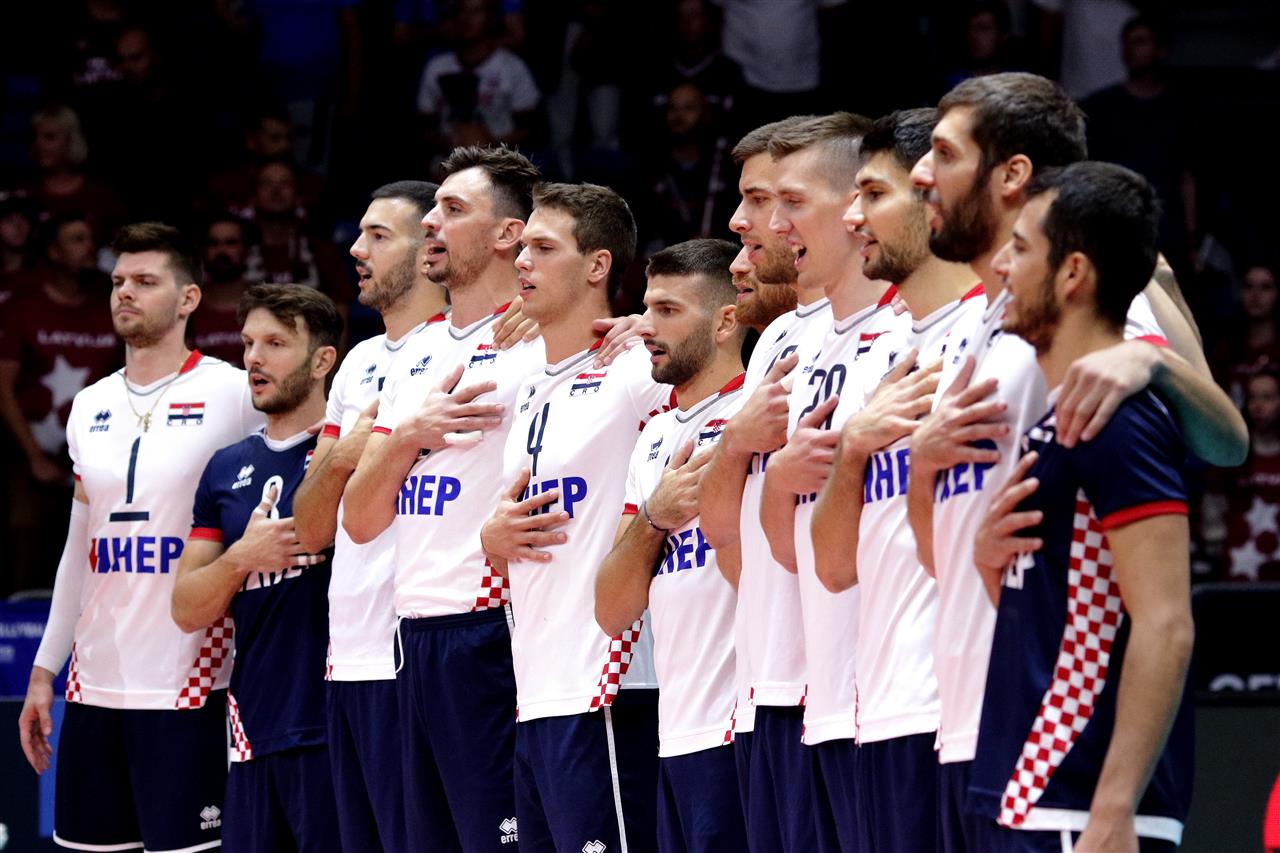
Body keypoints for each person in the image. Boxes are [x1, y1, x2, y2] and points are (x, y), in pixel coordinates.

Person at [905, 70, 1245, 853]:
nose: (923, 172)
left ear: (1012, 173)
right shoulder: (988, 319)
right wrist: (932, 483)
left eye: (944, 153)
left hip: (1061, 743)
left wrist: (1152, 362)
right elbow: (973, 545)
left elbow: (1223, 442)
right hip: (985, 715)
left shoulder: (1094, 307)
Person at [17, 222, 262, 853]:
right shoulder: (89, 405)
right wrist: (44, 671)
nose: (124, 292)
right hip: (93, 684)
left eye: (145, 281)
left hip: (192, 682)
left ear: (188, 299)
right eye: (118, 281)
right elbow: (78, 552)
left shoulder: (235, 393)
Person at [972, 160, 1195, 853]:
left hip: (1079, 801)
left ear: (1072, 273)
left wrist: (1114, 807)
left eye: (1019, 249)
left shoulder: (1118, 421)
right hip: (1032, 788)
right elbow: (1056, 610)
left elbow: (1166, 622)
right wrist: (985, 558)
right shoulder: (1060, 416)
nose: (1001, 267)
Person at [808, 106, 986, 853]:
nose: (853, 218)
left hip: (963, 704)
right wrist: (853, 449)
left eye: (874, 195)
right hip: (876, 708)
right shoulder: (877, 357)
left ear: (931, 197)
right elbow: (832, 565)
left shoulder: (994, 329)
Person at [481, 182, 666, 852]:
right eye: (522, 246)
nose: (521, 260)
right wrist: (490, 537)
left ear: (597, 266)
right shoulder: (533, 384)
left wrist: (653, 324)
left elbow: (720, 383)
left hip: (609, 684)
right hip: (537, 689)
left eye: (543, 247)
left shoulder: (636, 367)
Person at [756, 110, 913, 853]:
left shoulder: (915, 329)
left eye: (793, 202)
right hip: (826, 694)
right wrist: (777, 483)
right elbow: (790, 551)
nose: (772, 225)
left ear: (856, 206)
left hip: (905, 694)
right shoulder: (801, 343)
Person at [292, 180, 447, 853]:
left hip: (412, 655)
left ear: (430, 247)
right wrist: (346, 454)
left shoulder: (476, 344)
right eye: (359, 234)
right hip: (345, 657)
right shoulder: (357, 362)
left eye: (379, 236)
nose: (356, 250)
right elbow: (309, 529)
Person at [171, 283, 342, 851]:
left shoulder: (352, 453)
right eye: (248, 343)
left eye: (275, 343)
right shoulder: (225, 468)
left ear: (322, 361)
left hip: (335, 723)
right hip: (251, 728)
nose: (254, 358)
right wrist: (243, 557)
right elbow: (187, 607)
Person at [595, 237, 750, 852]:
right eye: (645, 308)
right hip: (676, 730)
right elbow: (612, 609)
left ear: (726, 321)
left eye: (668, 311)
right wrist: (655, 518)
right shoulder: (655, 434)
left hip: (743, 727)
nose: (647, 328)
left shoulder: (758, 411)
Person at [697, 116, 826, 851]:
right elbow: (726, 536)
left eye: (763, 198)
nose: (741, 222)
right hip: (761, 683)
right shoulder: (778, 336)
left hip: (830, 684)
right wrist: (736, 445)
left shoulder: (896, 327)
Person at [0, 213, 120, 591]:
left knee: (96, 559)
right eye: (77, 239)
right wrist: (34, 457)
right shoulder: (23, 308)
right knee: (25, 551)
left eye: (91, 239)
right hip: (29, 456)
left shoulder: (112, 309)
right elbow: (3, 387)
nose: (90, 248)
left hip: (97, 458)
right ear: (53, 251)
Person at [191, 214, 257, 367]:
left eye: (231, 243)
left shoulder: (265, 305)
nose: (221, 251)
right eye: (213, 243)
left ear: (246, 250)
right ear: (203, 250)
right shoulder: (187, 307)